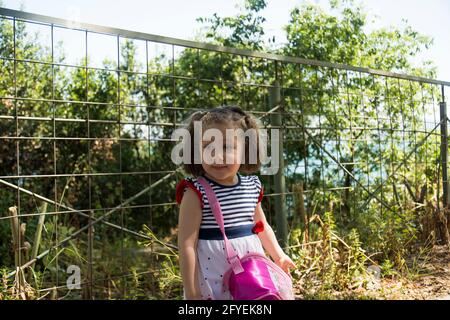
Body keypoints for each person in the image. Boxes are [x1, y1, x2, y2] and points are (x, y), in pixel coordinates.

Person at [175, 105, 295, 300]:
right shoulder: (195, 192)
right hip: (212, 273)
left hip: (251, 271)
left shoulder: (251, 185)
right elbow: (187, 244)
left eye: (227, 146)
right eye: (207, 146)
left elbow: (261, 226)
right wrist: (192, 290)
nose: (217, 155)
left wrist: (278, 255)